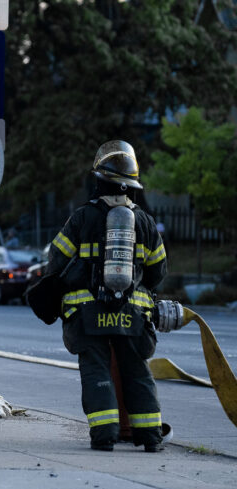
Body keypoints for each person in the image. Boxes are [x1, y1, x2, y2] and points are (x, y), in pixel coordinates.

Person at [47, 140, 167, 453]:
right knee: (137, 371)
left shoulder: (82, 218)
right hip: (132, 314)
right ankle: (150, 435)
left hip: (87, 314)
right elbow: (159, 271)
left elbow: (55, 262)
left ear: (98, 180)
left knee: (96, 369)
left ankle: (104, 435)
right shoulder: (144, 222)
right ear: (133, 186)